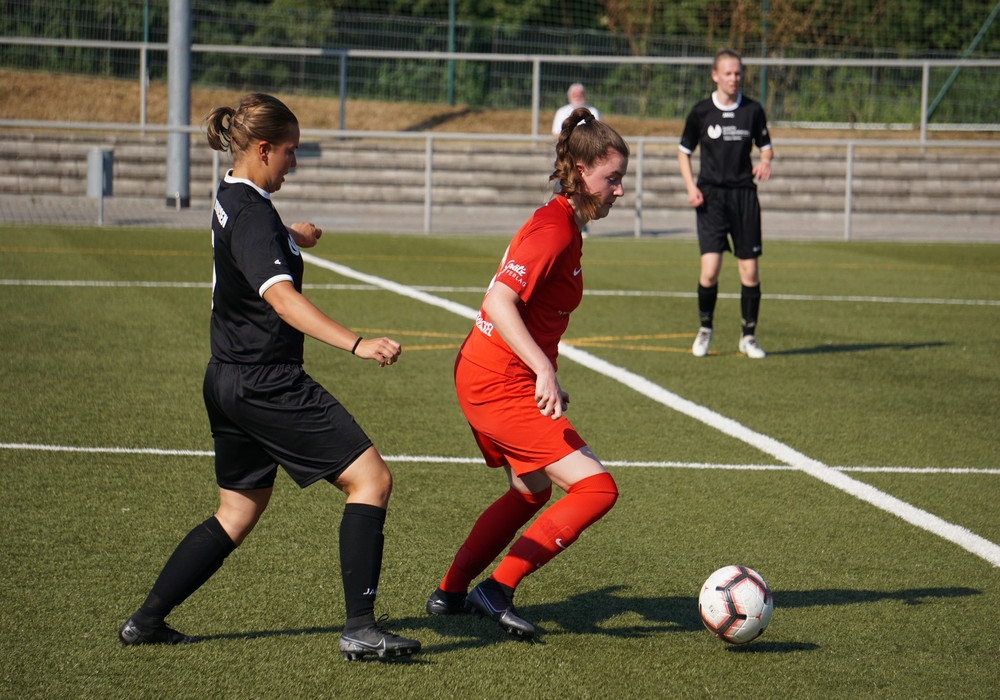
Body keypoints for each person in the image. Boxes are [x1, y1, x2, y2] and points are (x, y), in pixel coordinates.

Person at [117, 93, 421, 661]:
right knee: (371, 481)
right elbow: (280, 299)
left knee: (235, 512)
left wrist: (291, 236)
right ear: (262, 148)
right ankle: (360, 626)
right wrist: (357, 343)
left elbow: (253, 232)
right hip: (267, 382)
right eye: (289, 152)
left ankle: (145, 620)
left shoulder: (234, 194)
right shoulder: (256, 215)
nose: (294, 163)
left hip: (225, 380)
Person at [425, 107, 628, 640]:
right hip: (497, 380)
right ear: (582, 173)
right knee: (596, 490)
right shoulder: (554, 228)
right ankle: (496, 589)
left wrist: (544, 371)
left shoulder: (566, 224)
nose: (620, 191)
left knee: (532, 489)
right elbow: (499, 300)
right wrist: (541, 368)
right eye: (613, 179)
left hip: (489, 372)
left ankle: (450, 591)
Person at [678, 48, 773, 359]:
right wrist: (691, 187)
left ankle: (748, 336)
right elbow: (684, 152)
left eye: (738, 73)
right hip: (711, 198)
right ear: (715, 75)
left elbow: (766, 148)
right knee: (710, 270)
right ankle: (705, 329)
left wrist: (764, 162)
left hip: (744, 196)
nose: (735, 78)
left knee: (750, 271)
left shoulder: (753, 110)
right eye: (729, 73)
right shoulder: (701, 112)